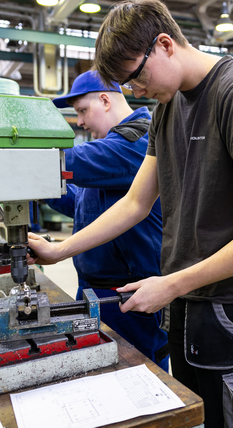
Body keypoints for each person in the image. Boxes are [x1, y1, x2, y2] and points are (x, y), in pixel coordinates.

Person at [28, 0, 233, 427]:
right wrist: (60, 251)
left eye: (136, 77)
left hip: (228, 305)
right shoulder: (166, 109)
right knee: (193, 413)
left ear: (165, 44)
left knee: (232, 419)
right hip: (182, 297)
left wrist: (171, 283)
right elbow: (135, 203)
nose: (135, 91)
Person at [46, 70, 169, 371]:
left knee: (141, 378)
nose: (80, 122)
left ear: (104, 100)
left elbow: (71, 162)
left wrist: (20, 161)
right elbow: (81, 206)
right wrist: (39, 189)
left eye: (82, 111)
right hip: (94, 290)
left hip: (129, 298)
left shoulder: (138, 142)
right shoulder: (110, 150)